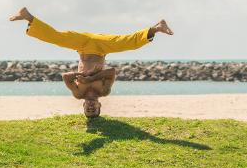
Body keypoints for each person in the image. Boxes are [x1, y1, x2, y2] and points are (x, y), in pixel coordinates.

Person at [9, 7, 173, 117]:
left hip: (82, 45)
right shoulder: (104, 91)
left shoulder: (78, 93)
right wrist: (92, 77)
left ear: (83, 107)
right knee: (128, 42)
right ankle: (157, 27)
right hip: (102, 46)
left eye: (88, 111)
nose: (91, 108)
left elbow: (65, 76)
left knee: (56, 37)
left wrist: (80, 75)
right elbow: (112, 72)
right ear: (100, 107)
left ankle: (27, 16)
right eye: (94, 111)